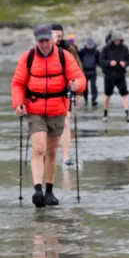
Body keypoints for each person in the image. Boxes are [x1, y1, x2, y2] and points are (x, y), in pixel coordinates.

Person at [12, 25, 86, 208]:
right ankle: (38, 190)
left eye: (47, 40)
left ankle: (49, 191)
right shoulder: (27, 58)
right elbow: (18, 83)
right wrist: (18, 103)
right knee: (38, 148)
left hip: (57, 109)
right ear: (36, 41)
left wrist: (78, 85)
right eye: (41, 41)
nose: (44, 44)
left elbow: (79, 77)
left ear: (52, 40)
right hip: (35, 109)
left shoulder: (64, 56)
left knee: (52, 152)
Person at [51, 24, 83, 168]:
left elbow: (78, 69)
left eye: (60, 35)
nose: (58, 38)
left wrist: (79, 91)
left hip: (66, 87)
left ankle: (66, 157)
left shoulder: (69, 49)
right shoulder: (43, 48)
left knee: (66, 120)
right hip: (48, 89)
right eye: (55, 35)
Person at [100, 31, 129, 122]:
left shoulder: (124, 48)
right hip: (109, 76)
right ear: (112, 40)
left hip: (120, 75)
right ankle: (105, 114)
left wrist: (125, 64)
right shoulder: (106, 48)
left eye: (119, 40)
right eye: (116, 40)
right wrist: (109, 63)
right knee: (107, 95)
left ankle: (127, 114)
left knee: (125, 94)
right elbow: (101, 61)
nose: (117, 42)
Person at [79, 37, 100, 108]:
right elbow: (79, 60)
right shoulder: (82, 51)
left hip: (93, 71)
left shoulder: (96, 52)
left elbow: (99, 61)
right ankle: (86, 100)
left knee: (93, 86)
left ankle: (94, 99)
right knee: (85, 87)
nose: (90, 47)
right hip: (84, 71)